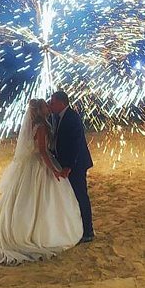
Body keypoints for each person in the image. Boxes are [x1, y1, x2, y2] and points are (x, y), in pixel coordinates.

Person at [0, 98, 83, 265]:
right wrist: (53, 170)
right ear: (40, 110)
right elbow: (43, 151)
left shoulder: (35, 124)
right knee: (42, 198)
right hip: (40, 165)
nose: (48, 106)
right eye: (45, 105)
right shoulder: (42, 126)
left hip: (31, 164)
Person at [49, 90, 94, 243]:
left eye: (53, 103)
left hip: (76, 165)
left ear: (61, 103)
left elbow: (76, 144)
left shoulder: (72, 117)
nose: (51, 105)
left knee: (81, 196)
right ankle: (78, 229)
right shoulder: (57, 117)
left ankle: (88, 231)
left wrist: (68, 166)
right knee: (72, 197)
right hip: (67, 164)